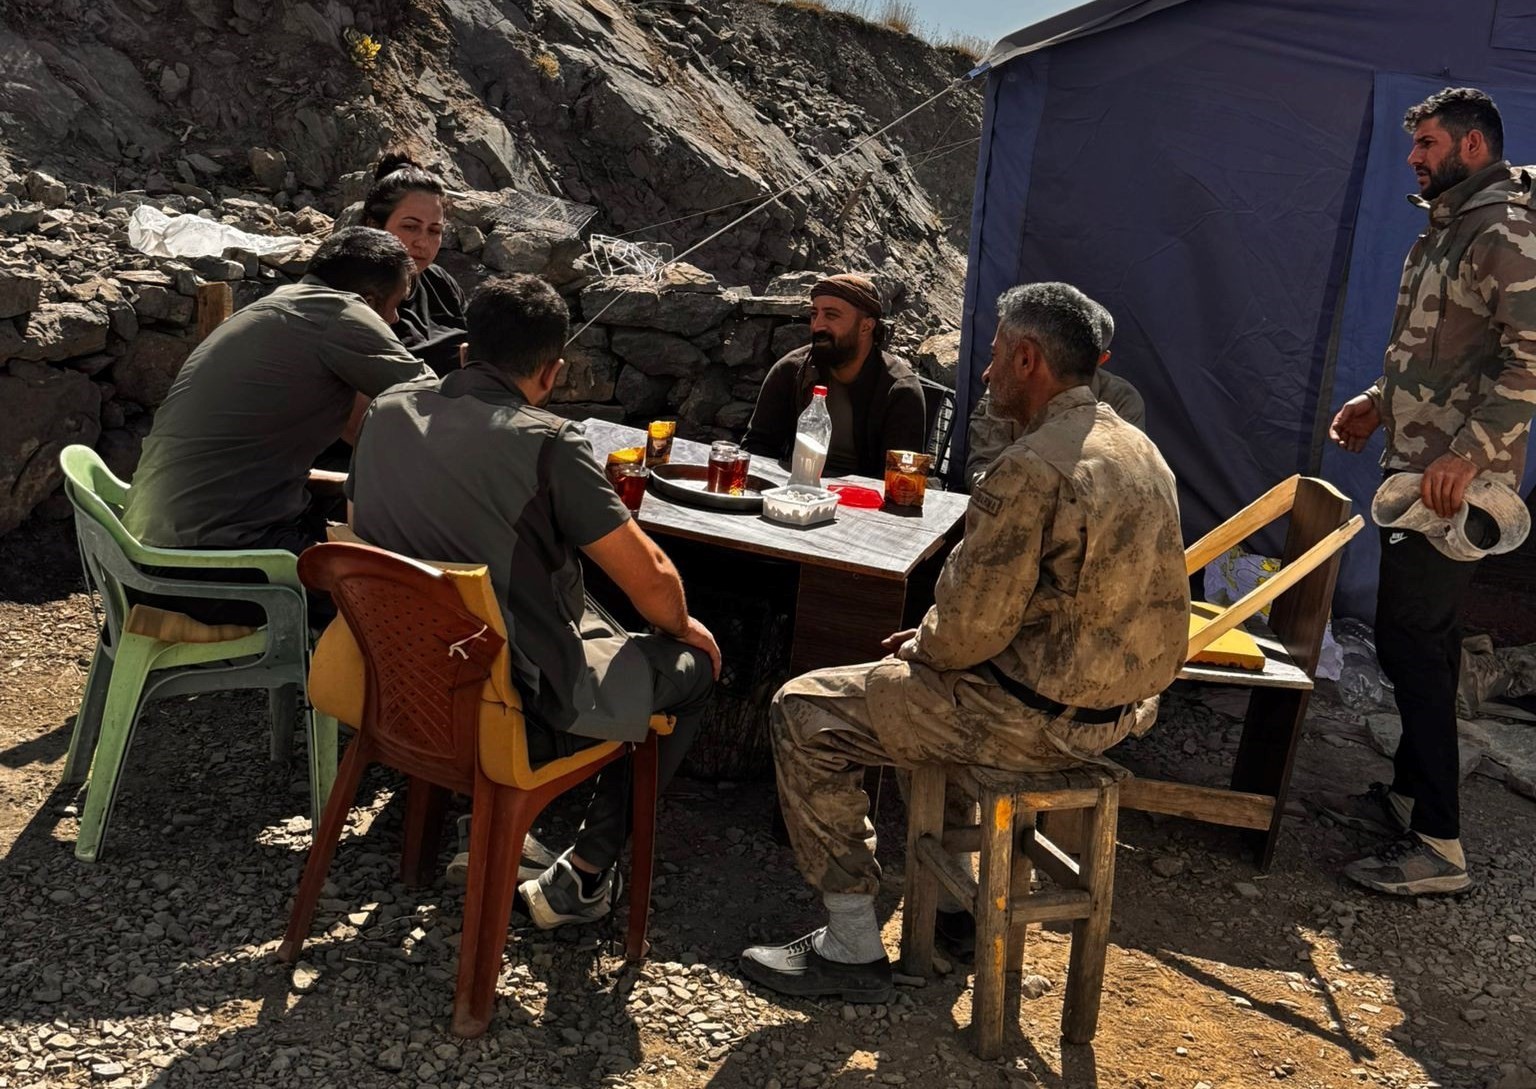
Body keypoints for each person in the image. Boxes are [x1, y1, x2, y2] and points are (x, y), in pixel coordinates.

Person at [739, 282, 1189, 1002]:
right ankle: (953, 911)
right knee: (935, 695)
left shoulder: (1032, 465)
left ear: (1028, 359)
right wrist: (937, 642)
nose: (984, 375)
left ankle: (852, 939)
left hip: (1025, 722)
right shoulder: (1141, 451)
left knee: (804, 709)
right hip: (1115, 716)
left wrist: (923, 645)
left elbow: (969, 631)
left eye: (994, 357)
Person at [347, 273, 722, 928]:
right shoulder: (548, 442)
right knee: (692, 668)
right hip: (504, 706)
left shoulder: (385, 410)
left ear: (465, 352)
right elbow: (653, 582)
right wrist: (687, 627)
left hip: (394, 682)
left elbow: (358, 528)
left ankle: (492, 827)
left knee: (557, 621)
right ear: (551, 375)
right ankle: (582, 873)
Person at [1327, 87, 1536, 897]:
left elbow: (1528, 359)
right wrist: (1378, 401)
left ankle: (1440, 847)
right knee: (1427, 637)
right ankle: (1414, 795)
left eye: (1426, 144)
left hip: (1457, 486)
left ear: (1472, 147)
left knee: (1411, 636)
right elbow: (1434, 352)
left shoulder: (1503, 231)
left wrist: (1470, 455)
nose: (1413, 156)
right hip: (1419, 469)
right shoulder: (1446, 230)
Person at [122, 227, 431, 624]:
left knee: (342, 513)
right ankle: (339, 683)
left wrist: (344, 484)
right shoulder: (338, 314)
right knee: (409, 603)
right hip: (208, 572)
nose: (396, 319)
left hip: (150, 554)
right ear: (369, 301)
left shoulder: (278, 306)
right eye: (396, 306)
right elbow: (434, 401)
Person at [743, 273, 926, 477]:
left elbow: (900, 476)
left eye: (831, 315)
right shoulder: (791, 370)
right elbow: (757, 448)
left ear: (866, 326)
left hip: (861, 502)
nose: (817, 325)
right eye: (814, 314)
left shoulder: (899, 391)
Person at [966, 297, 1145, 488]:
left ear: (1100, 359)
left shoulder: (1121, 400)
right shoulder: (1008, 387)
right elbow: (982, 466)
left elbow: (1123, 480)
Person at [361, 151, 468, 378]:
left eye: (434, 231)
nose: (423, 242)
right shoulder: (356, 291)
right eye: (410, 227)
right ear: (374, 226)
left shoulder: (440, 282)